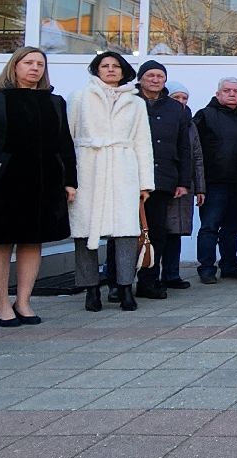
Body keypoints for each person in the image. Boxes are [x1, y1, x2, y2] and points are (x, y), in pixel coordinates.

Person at [0, 46, 75, 327]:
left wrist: (70, 181)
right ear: (15, 66)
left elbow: (65, 144)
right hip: (3, 181)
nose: (35, 68)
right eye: (28, 62)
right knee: (1, 241)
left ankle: (24, 301)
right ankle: (1, 303)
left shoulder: (55, 102)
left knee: (32, 241)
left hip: (44, 182)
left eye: (40, 63)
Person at [68, 51, 153, 312]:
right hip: (88, 168)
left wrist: (144, 183)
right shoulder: (79, 97)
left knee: (127, 231)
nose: (110, 70)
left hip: (123, 169)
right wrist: (68, 179)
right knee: (84, 232)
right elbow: (67, 139)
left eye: (116, 66)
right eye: (104, 66)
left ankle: (126, 288)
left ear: (124, 70)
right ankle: (91, 290)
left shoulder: (136, 102)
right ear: (96, 70)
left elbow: (143, 142)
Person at [135, 61, 193, 297]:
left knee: (157, 232)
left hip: (162, 179)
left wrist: (183, 181)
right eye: (150, 75)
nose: (155, 79)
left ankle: (149, 281)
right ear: (140, 78)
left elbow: (183, 147)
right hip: (130, 177)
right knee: (123, 233)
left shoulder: (175, 109)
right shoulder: (129, 102)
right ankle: (118, 283)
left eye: (160, 76)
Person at [191, 77, 237, 284]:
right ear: (218, 93)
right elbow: (194, 150)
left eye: (235, 91)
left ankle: (229, 266)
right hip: (213, 183)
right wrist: (197, 184)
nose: (231, 94)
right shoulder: (204, 116)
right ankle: (207, 268)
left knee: (232, 228)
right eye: (227, 90)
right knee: (210, 226)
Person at [160, 81, 206, 288]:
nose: (180, 102)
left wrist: (200, 188)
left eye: (184, 98)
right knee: (157, 231)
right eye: (176, 98)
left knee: (176, 231)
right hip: (161, 183)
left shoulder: (190, 124)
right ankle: (150, 275)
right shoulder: (158, 119)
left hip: (184, 186)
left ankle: (171, 274)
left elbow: (197, 156)